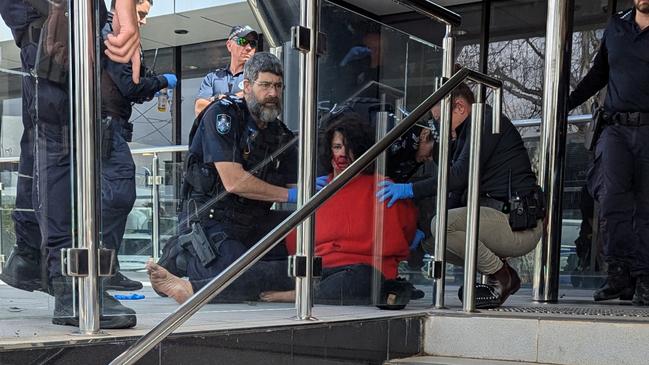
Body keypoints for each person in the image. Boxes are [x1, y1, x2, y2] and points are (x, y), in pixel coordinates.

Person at [0, 0, 143, 329]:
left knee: (51, 126)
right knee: (57, 125)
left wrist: (124, 9)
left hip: (78, 15)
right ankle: (68, 277)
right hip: (58, 13)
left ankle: (34, 253)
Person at [376, 82, 545, 309]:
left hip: (517, 224)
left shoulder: (484, 122)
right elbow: (456, 191)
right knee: (432, 242)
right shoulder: (467, 132)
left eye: (439, 119)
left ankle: (501, 277)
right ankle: (504, 273)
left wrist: (410, 190)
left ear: (460, 108)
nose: (437, 126)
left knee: (442, 226)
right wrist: (427, 231)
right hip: (499, 219)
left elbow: (457, 177)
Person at [148, 52, 298, 304]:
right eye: (265, 85)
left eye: (278, 86)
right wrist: (291, 195)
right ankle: (186, 267)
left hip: (253, 222)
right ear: (247, 86)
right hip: (211, 219)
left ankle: (240, 277)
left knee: (304, 259)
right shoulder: (223, 115)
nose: (273, 93)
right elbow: (234, 181)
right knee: (237, 272)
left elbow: (299, 186)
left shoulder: (281, 134)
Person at [259, 113, 418, 305]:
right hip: (316, 269)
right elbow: (295, 241)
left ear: (361, 151)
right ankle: (302, 290)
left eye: (348, 148)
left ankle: (300, 294)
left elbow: (406, 233)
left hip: (359, 271)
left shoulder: (385, 188)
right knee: (257, 273)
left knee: (364, 277)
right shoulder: (318, 189)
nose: (342, 154)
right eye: (337, 147)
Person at [567, 0, 649, 305]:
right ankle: (618, 275)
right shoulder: (617, 25)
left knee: (646, 208)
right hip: (614, 128)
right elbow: (599, 74)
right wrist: (564, 104)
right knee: (611, 200)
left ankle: (645, 278)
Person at [99, 0, 177, 291]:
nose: (141, 21)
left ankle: (106, 267)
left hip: (109, 126)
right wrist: (161, 82)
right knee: (119, 194)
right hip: (107, 126)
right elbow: (130, 86)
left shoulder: (110, 32)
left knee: (113, 197)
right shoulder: (115, 35)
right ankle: (104, 268)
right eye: (139, 13)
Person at [193, 25, 258, 116]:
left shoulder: (258, 76)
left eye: (253, 43)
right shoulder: (212, 77)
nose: (248, 48)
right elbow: (199, 107)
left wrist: (218, 100)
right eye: (242, 41)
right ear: (229, 45)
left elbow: (254, 98)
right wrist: (231, 102)